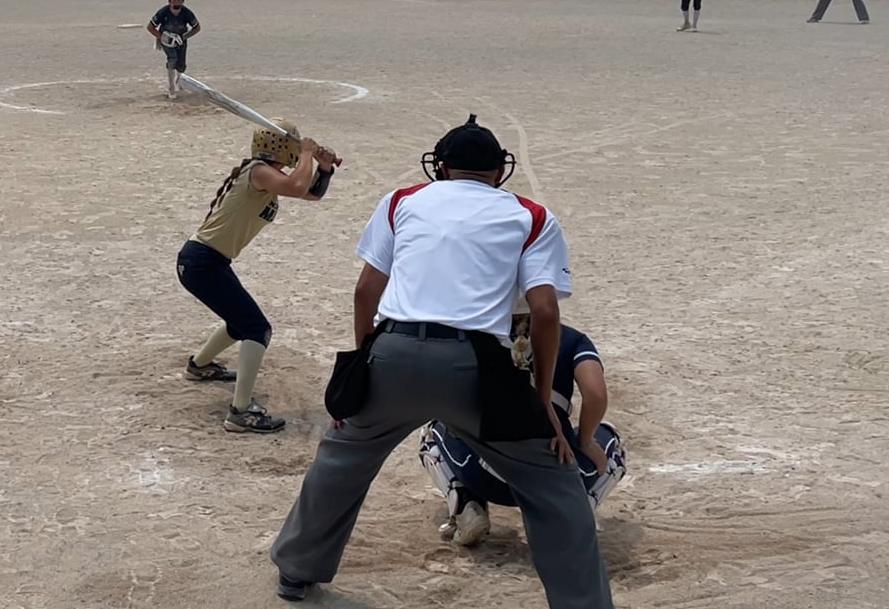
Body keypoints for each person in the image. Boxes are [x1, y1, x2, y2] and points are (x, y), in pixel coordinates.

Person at [269, 115, 610, 608]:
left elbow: (366, 292)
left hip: (394, 353)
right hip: (478, 371)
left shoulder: (402, 200)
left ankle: (296, 571)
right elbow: (544, 312)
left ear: (442, 168)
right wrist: (543, 408)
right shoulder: (532, 215)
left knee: (342, 459)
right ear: (499, 171)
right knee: (552, 484)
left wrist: (363, 371)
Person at [178, 120, 338, 434]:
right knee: (256, 328)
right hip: (202, 262)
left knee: (241, 322)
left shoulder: (268, 176)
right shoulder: (258, 171)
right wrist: (307, 154)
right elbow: (297, 186)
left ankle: (199, 366)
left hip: (209, 261)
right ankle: (240, 413)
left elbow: (310, 193)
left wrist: (325, 168)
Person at [419, 321, 627, 546]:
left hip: (482, 474)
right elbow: (596, 394)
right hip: (555, 481)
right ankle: (569, 515)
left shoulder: (479, 332)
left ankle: (466, 502)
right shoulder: (572, 340)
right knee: (610, 440)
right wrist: (585, 441)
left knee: (434, 430)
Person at [146, 0, 200, 99]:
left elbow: (197, 28)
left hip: (180, 40)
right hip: (166, 40)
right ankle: (171, 88)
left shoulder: (187, 13)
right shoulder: (163, 12)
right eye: (174, 0)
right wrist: (162, 37)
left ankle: (179, 81)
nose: (176, 2)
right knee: (172, 59)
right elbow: (150, 27)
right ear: (169, 1)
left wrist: (183, 37)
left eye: (179, 0)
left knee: (181, 66)